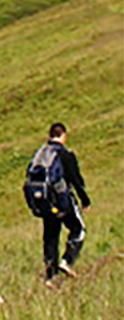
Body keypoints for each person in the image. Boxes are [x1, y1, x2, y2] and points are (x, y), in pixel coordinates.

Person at [41, 123, 91, 287]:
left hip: (45, 202)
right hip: (62, 200)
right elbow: (75, 179)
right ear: (63, 135)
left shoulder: (41, 154)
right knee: (78, 229)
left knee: (51, 236)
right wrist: (84, 200)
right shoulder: (64, 154)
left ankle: (50, 276)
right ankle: (67, 260)